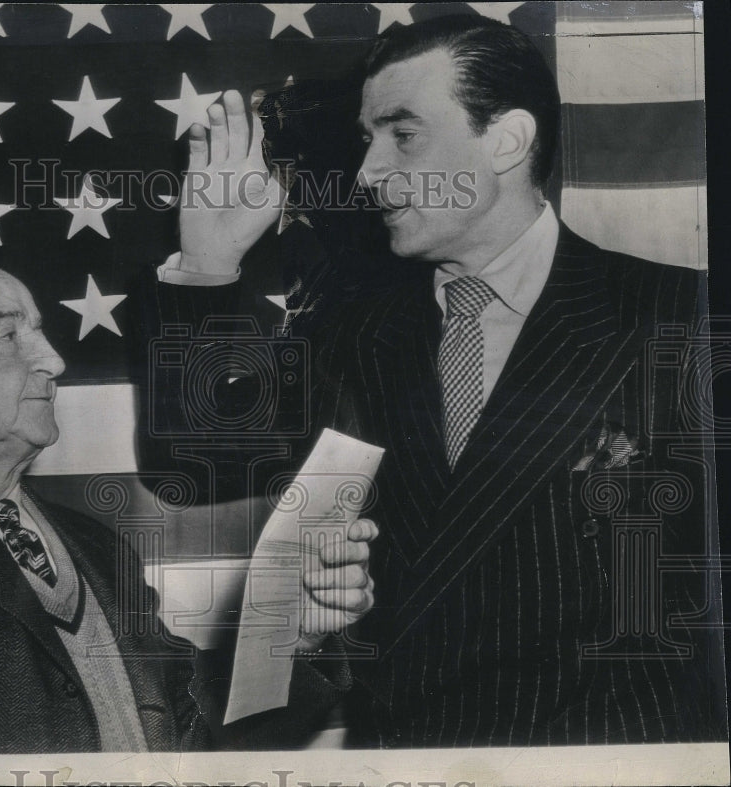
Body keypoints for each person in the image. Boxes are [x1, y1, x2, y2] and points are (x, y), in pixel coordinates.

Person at [0, 64, 380, 756]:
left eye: (41, 330)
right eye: (8, 331)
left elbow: (206, 739)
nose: (51, 359)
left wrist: (290, 631)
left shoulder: (96, 551)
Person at [143, 14, 726, 746]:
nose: (368, 173)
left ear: (507, 140)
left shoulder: (681, 316)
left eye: (403, 135)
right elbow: (193, 466)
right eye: (367, 139)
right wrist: (207, 267)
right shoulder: (358, 328)